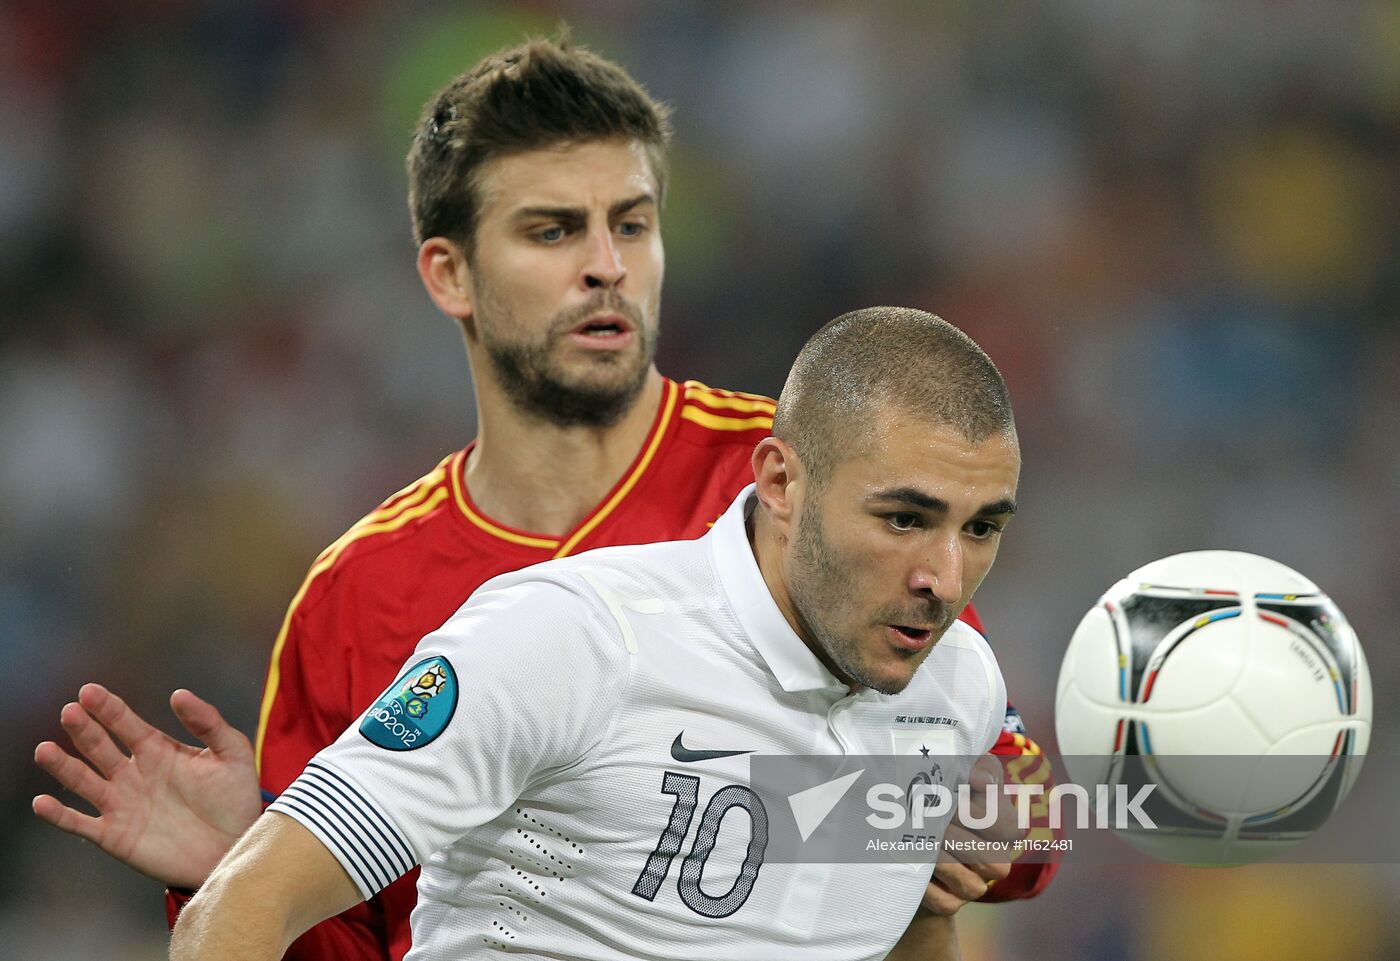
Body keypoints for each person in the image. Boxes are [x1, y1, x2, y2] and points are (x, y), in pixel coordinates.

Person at [32, 36, 1056, 961]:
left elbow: (983, 797)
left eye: (633, 224)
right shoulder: (361, 592)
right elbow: (351, 931)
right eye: (553, 231)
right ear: (450, 274)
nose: (605, 267)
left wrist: (974, 831)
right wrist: (231, 862)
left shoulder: (812, 482)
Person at [170, 306, 1023, 961]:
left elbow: (901, 921)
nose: (944, 579)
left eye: (982, 528)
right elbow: (240, 909)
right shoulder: (570, 636)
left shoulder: (959, 688)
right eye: (905, 518)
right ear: (780, 482)